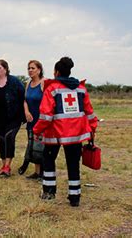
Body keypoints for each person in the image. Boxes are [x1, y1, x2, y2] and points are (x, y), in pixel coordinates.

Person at [33, 57, 97, 207]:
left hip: (54, 134)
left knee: (48, 161)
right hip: (76, 134)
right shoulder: (81, 89)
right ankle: (75, 197)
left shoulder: (52, 88)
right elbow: (89, 112)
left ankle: (49, 193)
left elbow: (46, 116)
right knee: (73, 164)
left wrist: (37, 130)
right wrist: (92, 128)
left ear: (56, 72)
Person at [18, 60, 45, 179]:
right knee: (32, 145)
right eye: (29, 68)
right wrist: (26, 111)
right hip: (30, 119)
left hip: (41, 119)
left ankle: (43, 173)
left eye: (33, 68)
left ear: (39, 70)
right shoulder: (28, 83)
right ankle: (37, 172)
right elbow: (25, 100)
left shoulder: (44, 83)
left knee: (41, 146)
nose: (30, 70)